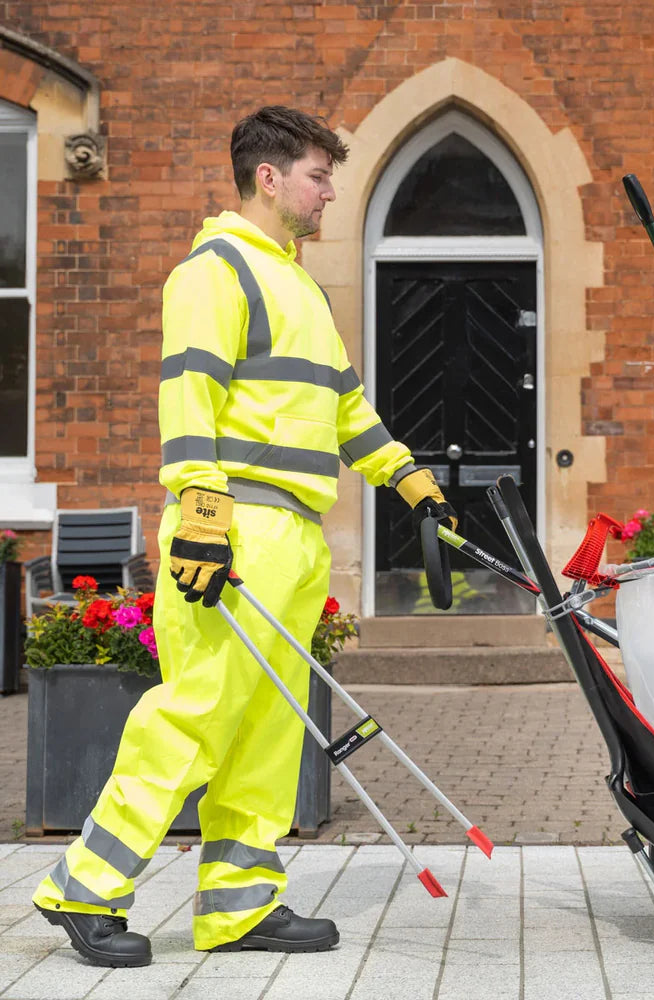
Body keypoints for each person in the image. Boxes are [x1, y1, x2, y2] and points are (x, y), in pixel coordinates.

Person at [32, 105, 456, 968]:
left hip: (295, 535)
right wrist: (199, 516)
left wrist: (410, 481)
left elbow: (346, 409)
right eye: (318, 175)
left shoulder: (297, 285)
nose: (331, 191)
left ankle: (239, 904)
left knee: (268, 724)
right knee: (196, 712)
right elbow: (188, 399)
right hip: (237, 527)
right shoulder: (213, 272)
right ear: (269, 178)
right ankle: (85, 887)